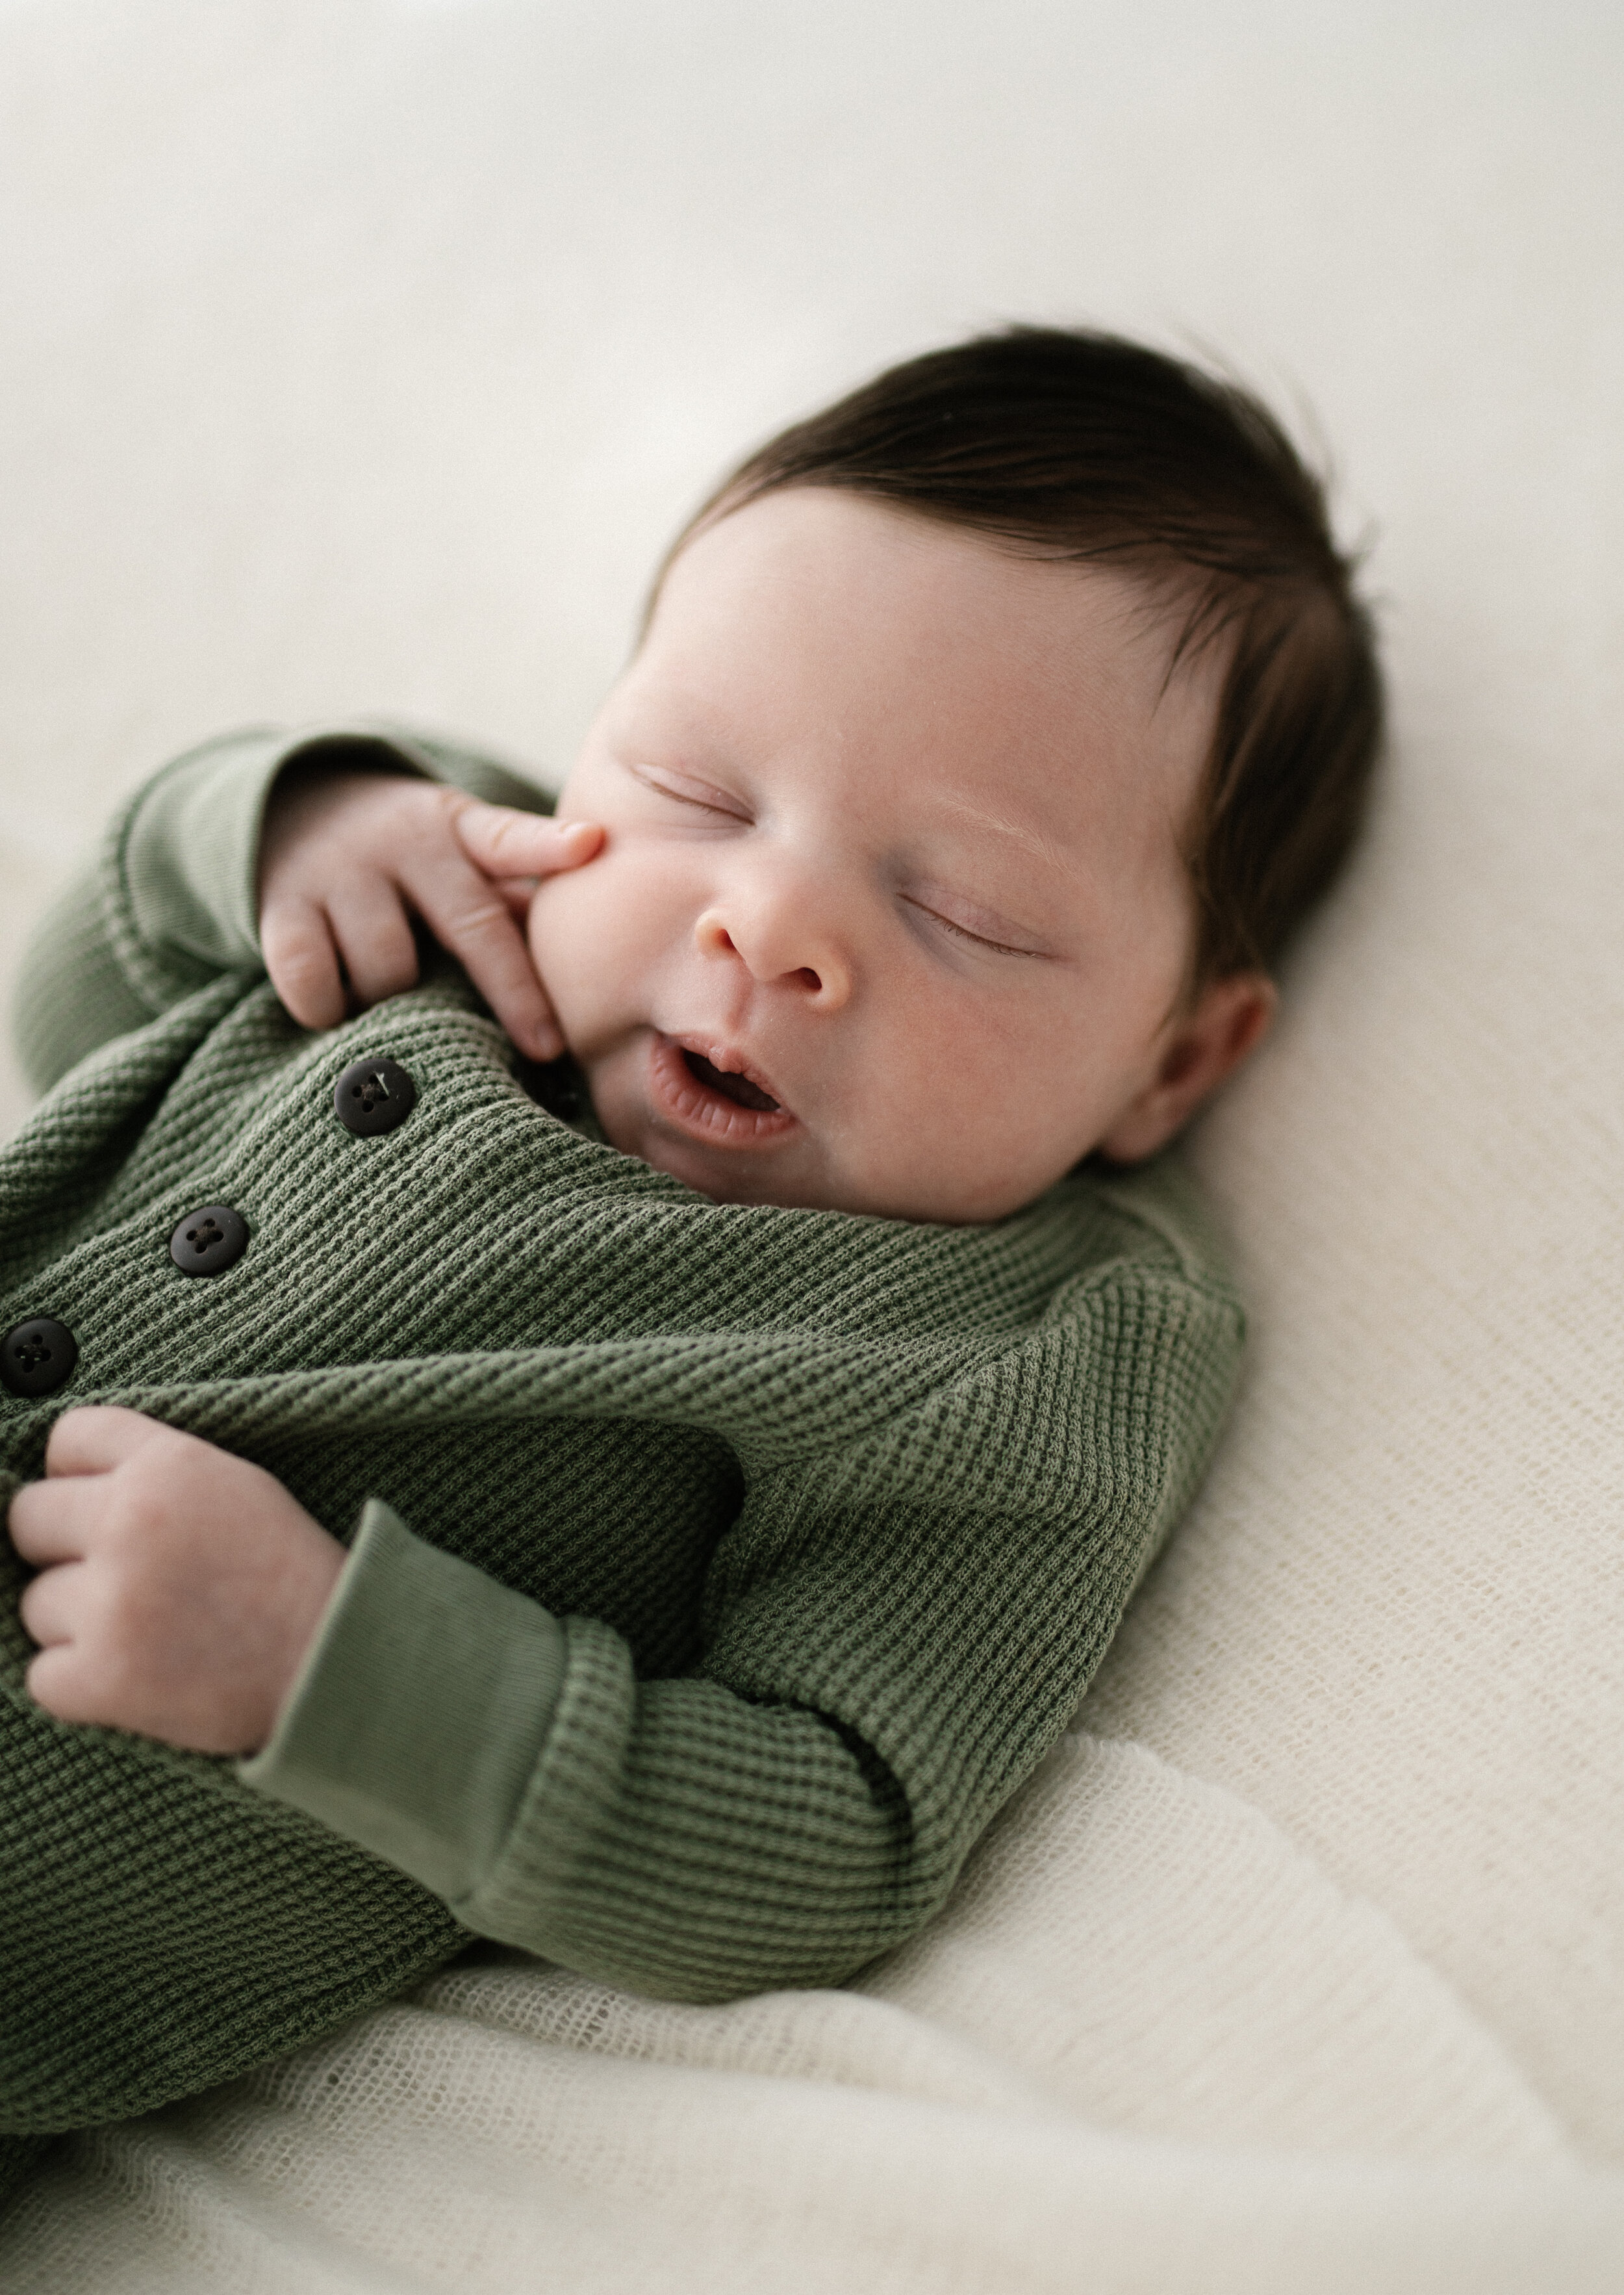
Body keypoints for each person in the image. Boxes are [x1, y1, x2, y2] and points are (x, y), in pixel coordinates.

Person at [0, 328, 1380, 2196]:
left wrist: (330, 1665)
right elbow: (78, 1002)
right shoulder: (462, 877)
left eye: (959, 908)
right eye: (699, 788)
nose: (770, 917)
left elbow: (834, 1821)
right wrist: (275, 818)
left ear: (1174, 1059)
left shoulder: (1013, 1334)